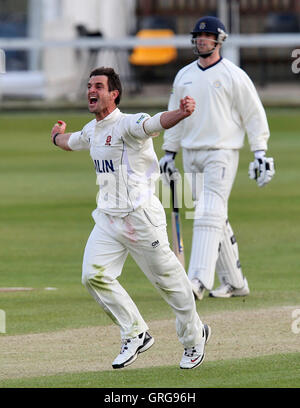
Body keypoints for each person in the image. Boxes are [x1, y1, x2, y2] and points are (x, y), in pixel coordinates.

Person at [50, 67, 211, 370]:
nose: (91, 91)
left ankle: (194, 338)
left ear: (114, 94)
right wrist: (56, 136)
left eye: (98, 86)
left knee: (170, 284)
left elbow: (154, 123)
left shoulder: (128, 124)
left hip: (140, 218)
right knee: (93, 276)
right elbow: (69, 141)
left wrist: (180, 113)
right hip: (109, 220)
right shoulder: (92, 130)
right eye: (88, 86)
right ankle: (136, 332)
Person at [159, 16, 275, 300]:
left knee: (208, 212)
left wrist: (260, 152)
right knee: (213, 217)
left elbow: (254, 115)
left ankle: (197, 280)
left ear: (219, 40)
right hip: (191, 153)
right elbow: (174, 114)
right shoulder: (184, 75)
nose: (201, 40)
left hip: (221, 153)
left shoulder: (233, 75)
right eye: (198, 36)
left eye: (207, 36)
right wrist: (168, 153)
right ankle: (235, 283)